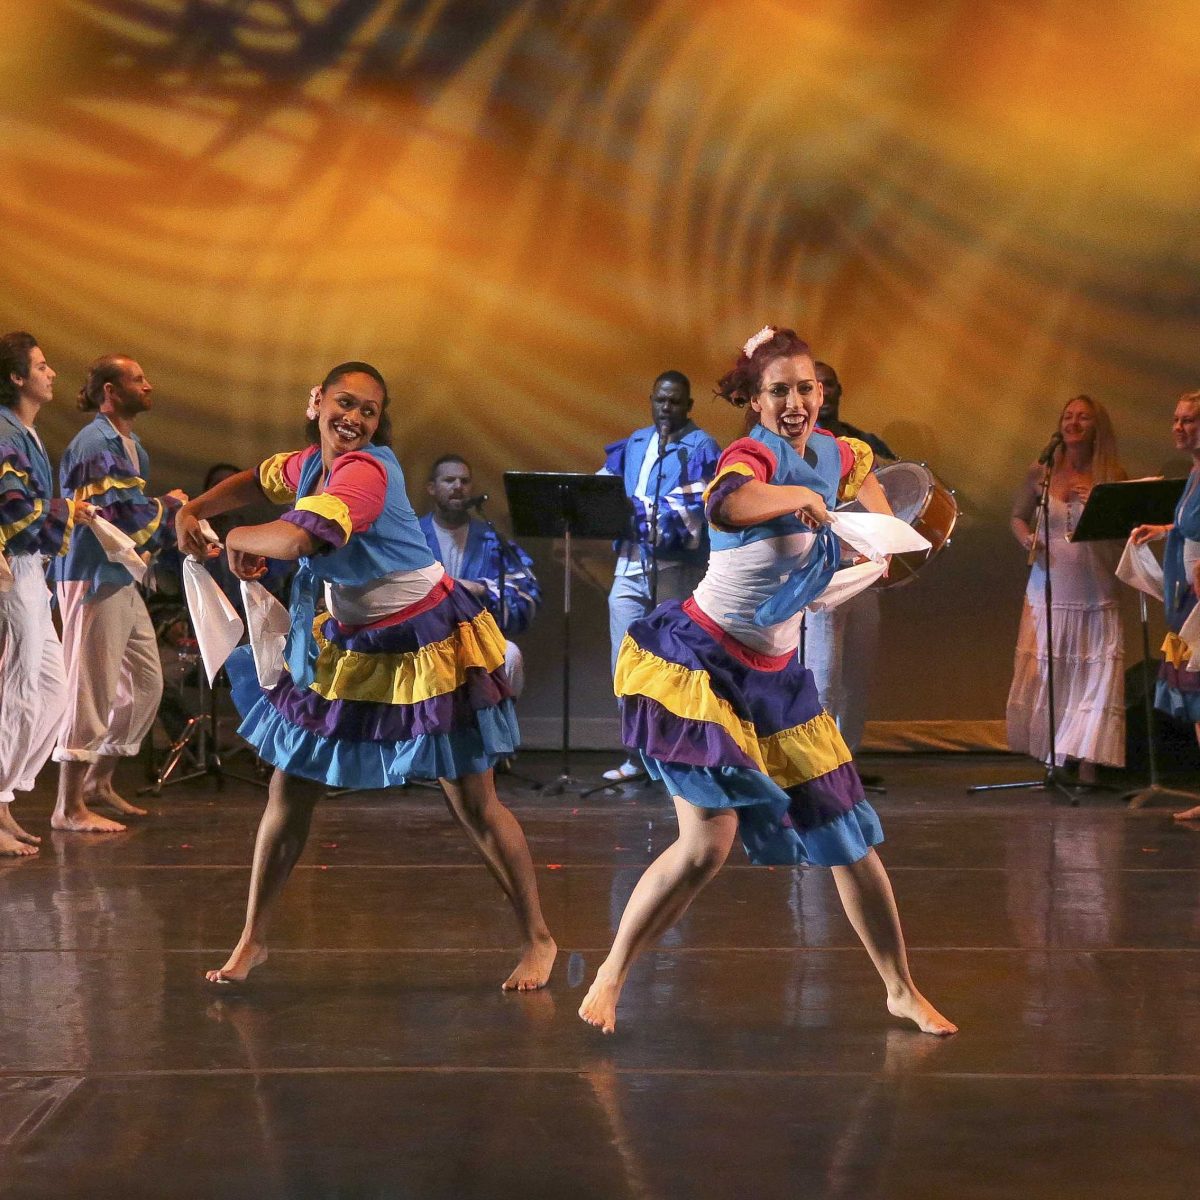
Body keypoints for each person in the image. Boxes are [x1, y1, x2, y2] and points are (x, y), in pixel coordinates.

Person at [578, 326, 956, 1037]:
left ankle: (900, 989)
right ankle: (611, 972)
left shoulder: (842, 455)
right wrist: (792, 500)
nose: (795, 401)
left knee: (849, 836)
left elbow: (877, 519)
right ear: (754, 401)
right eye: (778, 390)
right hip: (703, 665)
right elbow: (728, 505)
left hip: (777, 680)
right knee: (706, 847)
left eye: (805, 387)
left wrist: (878, 539)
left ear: (822, 392)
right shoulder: (749, 458)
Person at [175, 361, 556, 989]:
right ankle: (252, 939)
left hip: (426, 641)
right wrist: (196, 508)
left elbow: (303, 539)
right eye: (343, 404)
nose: (353, 419)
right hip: (350, 645)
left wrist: (234, 534)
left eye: (368, 412)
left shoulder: (368, 472)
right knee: (289, 790)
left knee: (473, 802)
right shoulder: (307, 465)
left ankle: (539, 939)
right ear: (315, 402)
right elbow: (257, 479)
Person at [52, 355, 186, 831]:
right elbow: (119, 516)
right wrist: (170, 508)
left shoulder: (132, 446)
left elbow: (132, 515)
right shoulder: (95, 443)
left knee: (146, 683)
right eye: (138, 379)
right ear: (110, 390)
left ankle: (97, 781)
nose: (148, 386)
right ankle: (68, 807)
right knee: (89, 688)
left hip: (120, 577)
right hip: (91, 577)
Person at [600, 370, 721, 781]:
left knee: (671, 660)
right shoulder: (636, 442)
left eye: (675, 402)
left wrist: (649, 513)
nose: (666, 409)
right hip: (630, 564)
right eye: (660, 400)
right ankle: (635, 756)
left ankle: (675, 756)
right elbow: (608, 488)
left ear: (688, 406)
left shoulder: (700, 445)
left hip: (672, 568)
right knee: (625, 657)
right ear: (651, 400)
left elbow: (700, 501)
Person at [0, 333, 93, 857]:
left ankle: (5, 799)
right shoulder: (4, 432)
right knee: (18, 688)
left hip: (30, 570)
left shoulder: (25, 434)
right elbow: (11, 507)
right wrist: (67, 512)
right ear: (16, 377)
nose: (51, 372)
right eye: (40, 365)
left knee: (53, 691)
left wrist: (64, 511)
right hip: (12, 569)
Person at [1007, 395, 1127, 787]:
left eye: (1084, 417)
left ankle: (1090, 759)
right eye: (1068, 416)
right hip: (1049, 590)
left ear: (1097, 427)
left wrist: (1098, 504)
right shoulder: (1041, 472)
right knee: (1054, 673)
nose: (1074, 423)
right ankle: (1056, 757)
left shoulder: (1112, 474)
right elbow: (1017, 517)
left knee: (1094, 674)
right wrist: (1027, 540)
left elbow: (1125, 536)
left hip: (1094, 590)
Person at [807, 361, 898, 761]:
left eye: (828, 385)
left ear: (836, 392)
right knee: (822, 673)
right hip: (824, 572)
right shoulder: (799, 446)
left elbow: (897, 490)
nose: (821, 393)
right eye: (815, 385)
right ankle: (821, 763)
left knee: (856, 674)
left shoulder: (863, 443)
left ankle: (849, 761)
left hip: (864, 570)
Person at [419, 453, 540, 696]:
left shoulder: (490, 539)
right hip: (422, 639)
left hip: (477, 637)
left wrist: (482, 588)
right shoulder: (413, 536)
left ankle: (499, 731)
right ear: (431, 488)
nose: (458, 487)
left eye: (464, 481)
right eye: (449, 480)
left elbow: (526, 592)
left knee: (511, 656)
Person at [1132, 391, 1200, 820]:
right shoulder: (1196, 471)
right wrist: (1164, 529)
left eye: (1189, 420)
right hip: (1186, 598)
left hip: (1198, 600)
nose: (1179, 427)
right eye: (1176, 419)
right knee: (1196, 701)